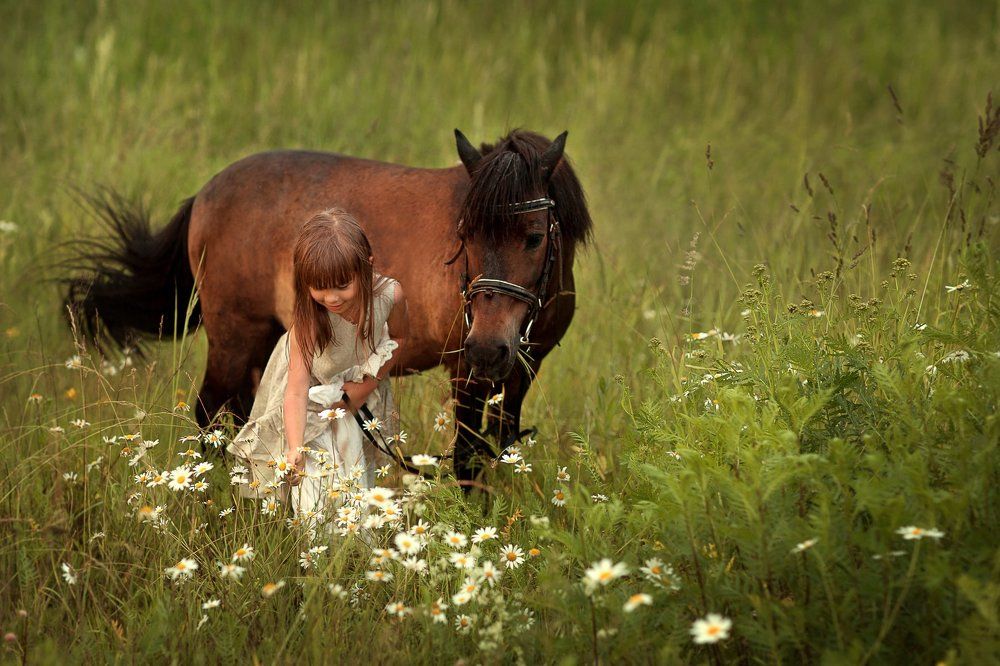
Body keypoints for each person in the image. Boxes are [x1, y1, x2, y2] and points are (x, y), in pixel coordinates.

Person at [227, 207, 408, 536]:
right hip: (308, 394)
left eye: (342, 285)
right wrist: (295, 447)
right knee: (314, 479)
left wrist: (366, 386)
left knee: (357, 471)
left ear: (366, 267)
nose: (331, 298)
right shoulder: (309, 322)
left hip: (358, 385)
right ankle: (313, 539)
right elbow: (295, 391)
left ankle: (356, 539)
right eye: (319, 288)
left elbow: (398, 338)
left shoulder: (390, 296)